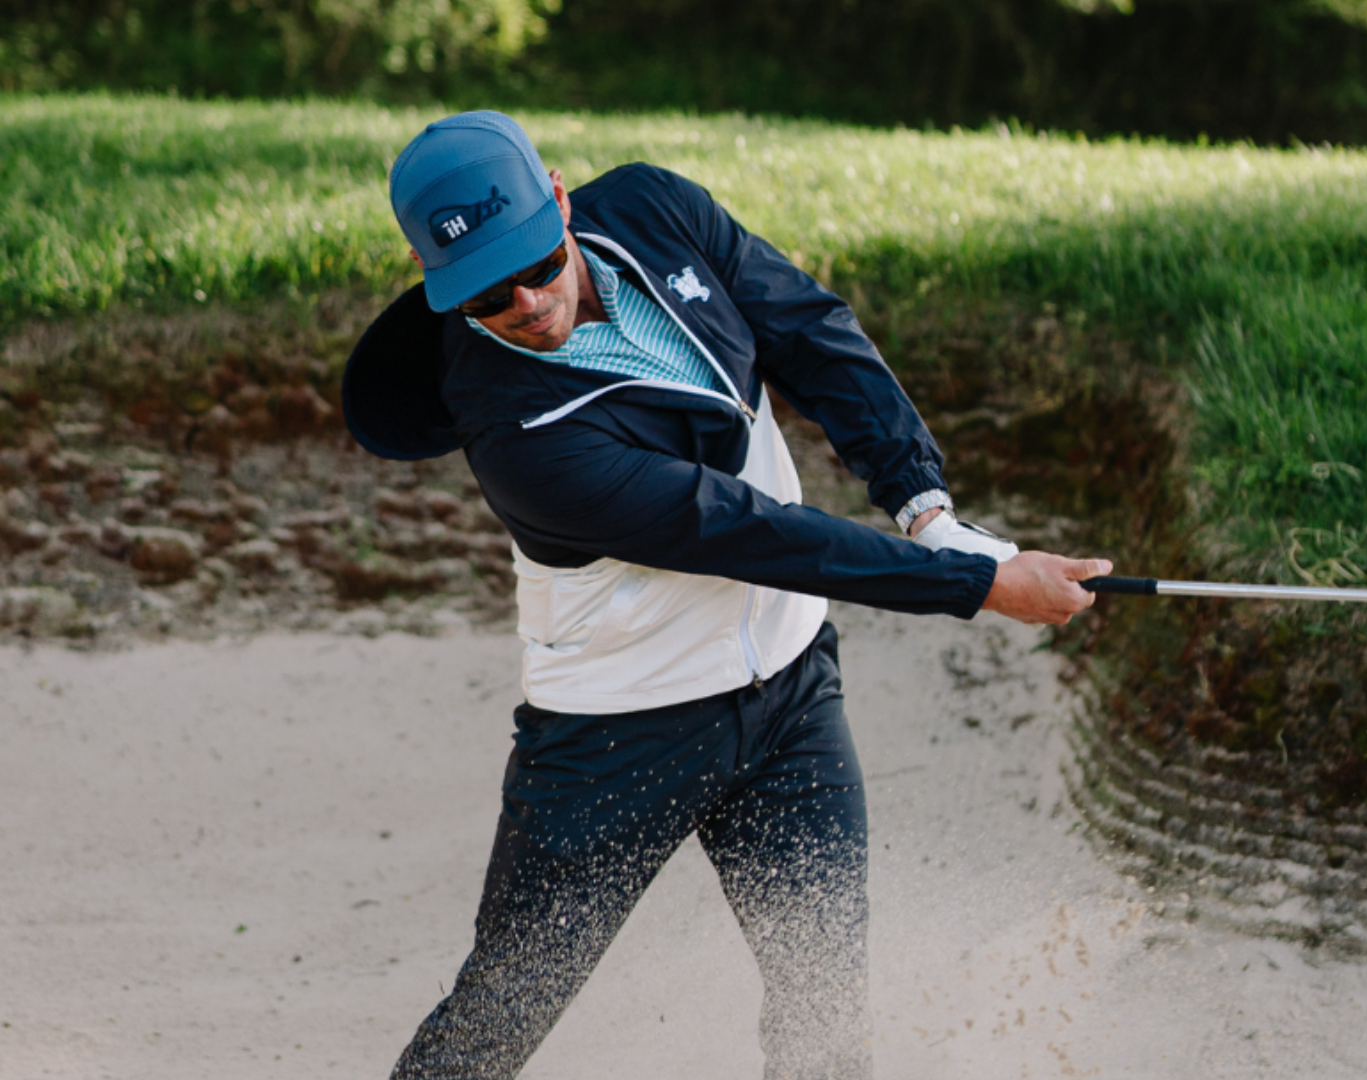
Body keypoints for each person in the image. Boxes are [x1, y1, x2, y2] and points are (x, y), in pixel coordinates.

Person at [340, 110, 1109, 1080]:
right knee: (498, 1017)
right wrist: (981, 584)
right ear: (435, 283)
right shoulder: (519, 438)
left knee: (825, 1003)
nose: (526, 302)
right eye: (486, 296)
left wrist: (927, 508)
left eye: (537, 264)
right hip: (618, 740)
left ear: (564, 203)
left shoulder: (655, 210)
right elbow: (751, 534)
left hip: (791, 700)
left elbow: (809, 331)